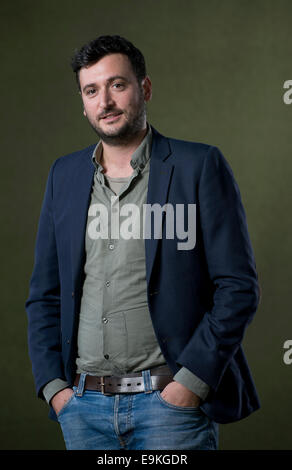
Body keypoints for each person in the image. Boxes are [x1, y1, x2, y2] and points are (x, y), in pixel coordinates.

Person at [25, 35, 261, 450]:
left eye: (117, 85)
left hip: (170, 407)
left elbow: (238, 287)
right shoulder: (63, 176)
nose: (105, 102)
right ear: (83, 102)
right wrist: (54, 388)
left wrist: (191, 384)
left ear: (144, 88)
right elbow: (45, 294)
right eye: (91, 90)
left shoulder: (198, 166)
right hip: (83, 408)